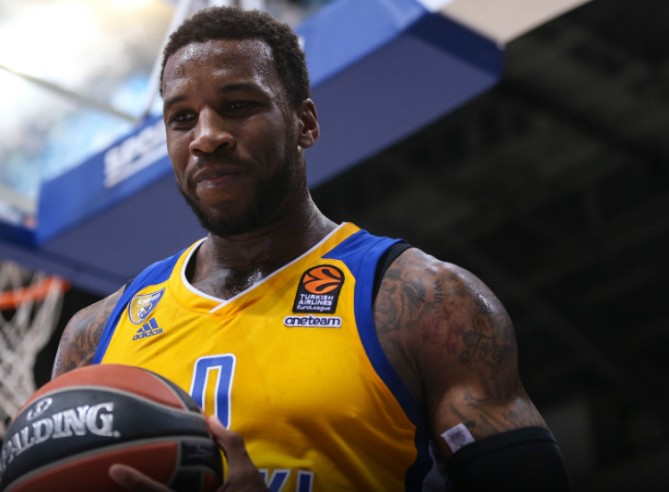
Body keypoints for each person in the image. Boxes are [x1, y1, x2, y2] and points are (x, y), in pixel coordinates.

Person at [52, 7, 570, 492]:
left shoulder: (426, 301)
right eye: (182, 118)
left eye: (238, 106)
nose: (206, 137)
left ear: (306, 123)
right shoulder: (94, 337)